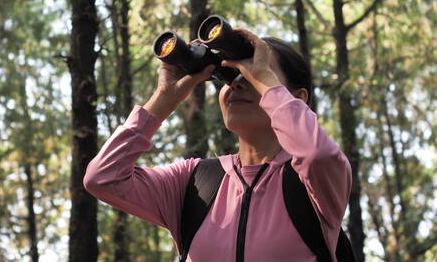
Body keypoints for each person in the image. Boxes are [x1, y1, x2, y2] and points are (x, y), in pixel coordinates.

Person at [84, 28, 352, 261]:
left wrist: (261, 76)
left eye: (254, 76)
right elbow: (103, 177)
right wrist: (164, 98)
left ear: (297, 98)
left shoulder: (314, 181)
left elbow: (317, 154)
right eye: (229, 77)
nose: (237, 85)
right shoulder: (194, 182)